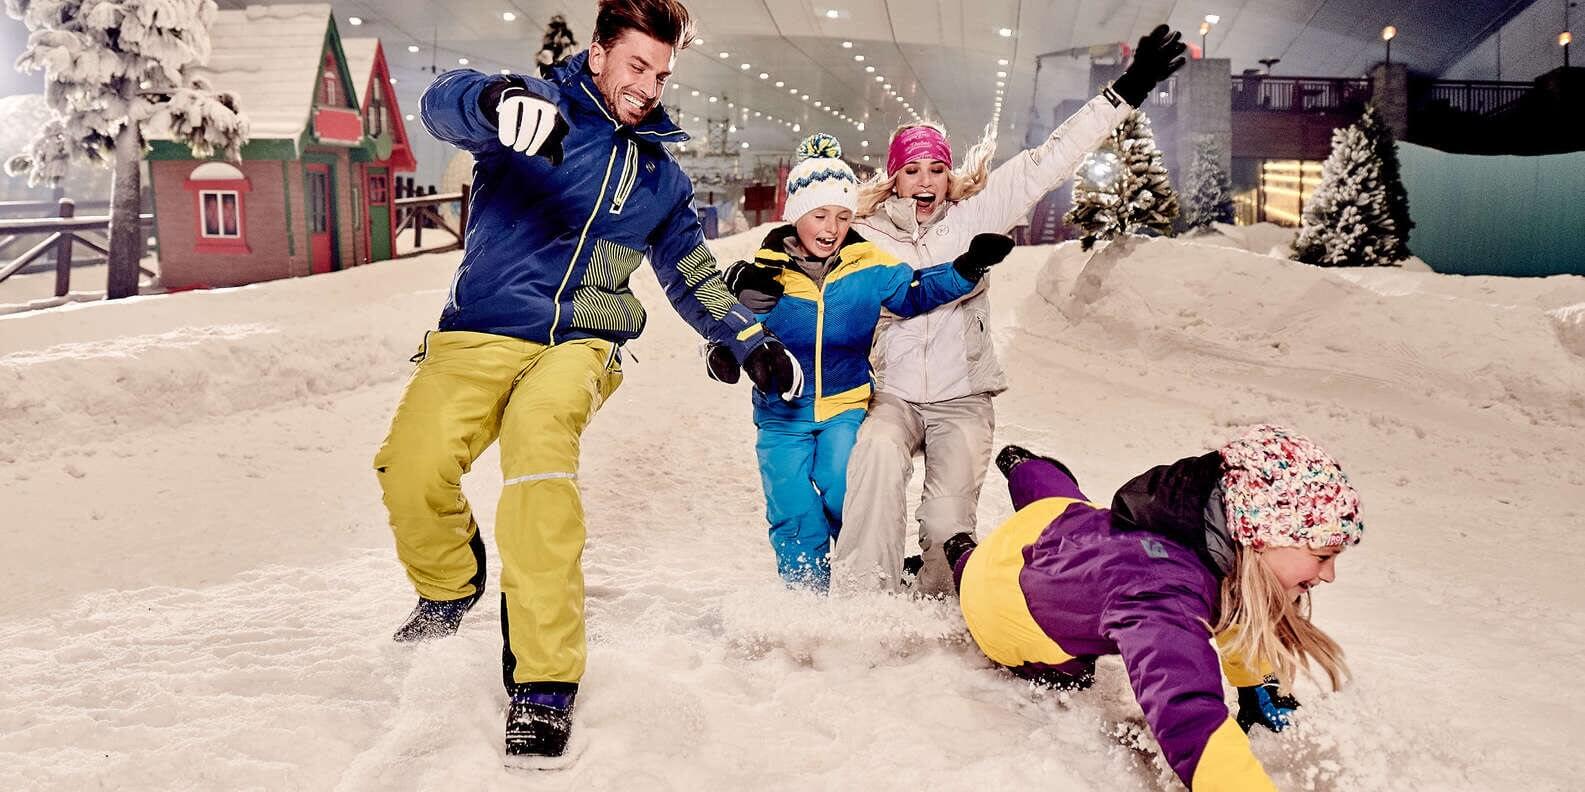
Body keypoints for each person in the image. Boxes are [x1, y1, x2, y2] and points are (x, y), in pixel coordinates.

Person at [373, 0, 800, 768]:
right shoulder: (529, 113)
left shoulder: (659, 178)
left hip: (581, 342)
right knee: (412, 466)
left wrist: (747, 336)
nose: (648, 86)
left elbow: (690, 270)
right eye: (636, 65)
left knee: (538, 462)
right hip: (480, 328)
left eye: (661, 73)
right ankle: (449, 581)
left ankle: (543, 684)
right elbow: (445, 102)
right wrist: (496, 102)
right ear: (599, 52)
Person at [792, 24, 1186, 595]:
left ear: (949, 175)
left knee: (946, 528)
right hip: (893, 396)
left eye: (935, 169)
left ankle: (934, 591)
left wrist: (1128, 87)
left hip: (962, 399)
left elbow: (1050, 159)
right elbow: (807, 243)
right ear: (894, 176)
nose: (924, 181)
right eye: (911, 169)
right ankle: (864, 596)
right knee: (874, 456)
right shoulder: (867, 232)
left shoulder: (976, 215)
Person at [948, 425, 1363, 790]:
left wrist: (1254, 681)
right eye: (1323, 556)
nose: (1328, 575)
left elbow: (1236, 600)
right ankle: (960, 551)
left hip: (1059, 521)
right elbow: (1188, 715)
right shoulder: (1163, 593)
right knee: (1064, 669)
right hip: (1001, 603)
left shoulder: (1189, 515)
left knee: (1060, 497)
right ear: (1263, 537)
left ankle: (1023, 467)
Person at [710, 134, 1015, 589]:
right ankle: (805, 595)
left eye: (843, 215)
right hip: (781, 418)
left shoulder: (868, 264)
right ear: (797, 216)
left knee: (846, 493)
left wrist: (967, 266)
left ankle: (860, 585)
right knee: (792, 508)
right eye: (819, 215)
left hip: (845, 408)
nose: (831, 228)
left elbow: (916, 291)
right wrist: (725, 350)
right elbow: (730, 329)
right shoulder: (766, 271)